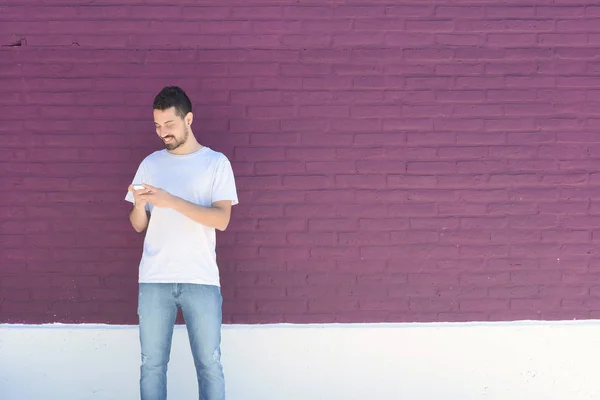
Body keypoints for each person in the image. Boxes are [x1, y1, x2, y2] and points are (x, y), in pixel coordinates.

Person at [124, 86, 238, 400]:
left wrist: (170, 200)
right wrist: (137, 204)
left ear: (188, 119)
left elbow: (222, 219)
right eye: (158, 126)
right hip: (154, 279)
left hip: (200, 278)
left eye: (170, 125)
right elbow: (138, 226)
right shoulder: (150, 163)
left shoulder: (216, 163)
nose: (163, 133)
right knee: (152, 366)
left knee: (209, 365)